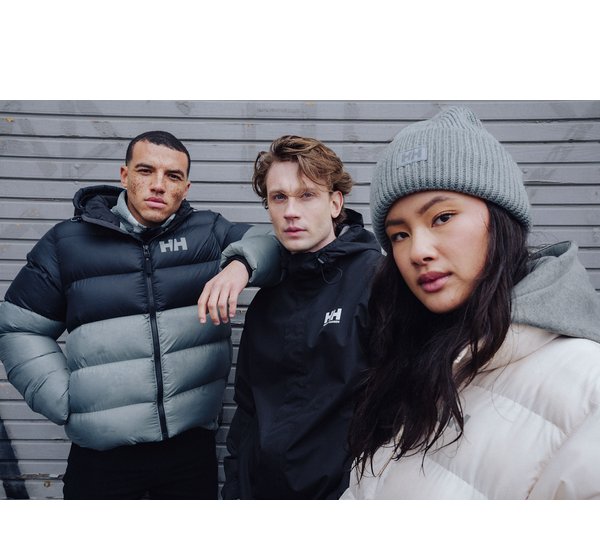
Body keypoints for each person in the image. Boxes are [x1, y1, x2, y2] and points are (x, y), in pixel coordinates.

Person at [0, 130, 278, 500]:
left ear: (186, 188)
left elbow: (275, 241)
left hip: (189, 451)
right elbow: (19, 327)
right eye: (146, 171)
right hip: (101, 457)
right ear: (124, 175)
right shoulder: (68, 243)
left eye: (173, 176)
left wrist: (241, 264)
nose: (159, 185)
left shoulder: (208, 233)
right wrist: (64, 400)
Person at [342, 106, 600, 500]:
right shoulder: (418, 358)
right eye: (399, 235)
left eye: (442, 217)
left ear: (500, 219)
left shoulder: (586, 388)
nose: (418, 251)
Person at [213, 135, 382, 499]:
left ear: (335, 203)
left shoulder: (376, 281)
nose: (291, 211)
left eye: (306, 195)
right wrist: (236, 491)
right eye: (279, 197)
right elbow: (247, 412)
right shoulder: (267, 298)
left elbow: (399, 410)